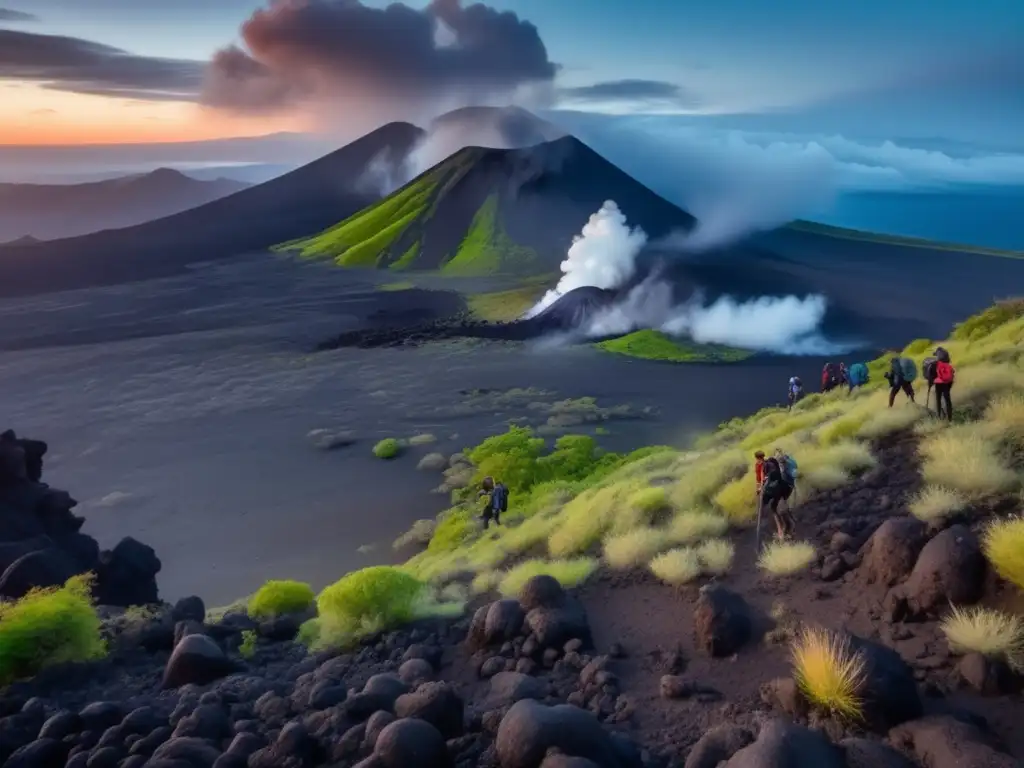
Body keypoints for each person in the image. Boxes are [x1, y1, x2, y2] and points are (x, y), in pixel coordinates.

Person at [761, 454, 795, 540]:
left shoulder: (776, 476)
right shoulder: (773, 475)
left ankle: (786, 529)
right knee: (775, 508)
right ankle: (783, 529)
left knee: (780, 509)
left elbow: (773, 488)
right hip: (781, 491)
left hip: (783, 491)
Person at [933, 347, 956, 421]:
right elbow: (953, 372)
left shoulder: (937, 364)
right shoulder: (948, 363)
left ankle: (939, 417)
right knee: (947, 399)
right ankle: (950, 418)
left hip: (939, 382)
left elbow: (933, 374)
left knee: (938, 399)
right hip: (948, 382)